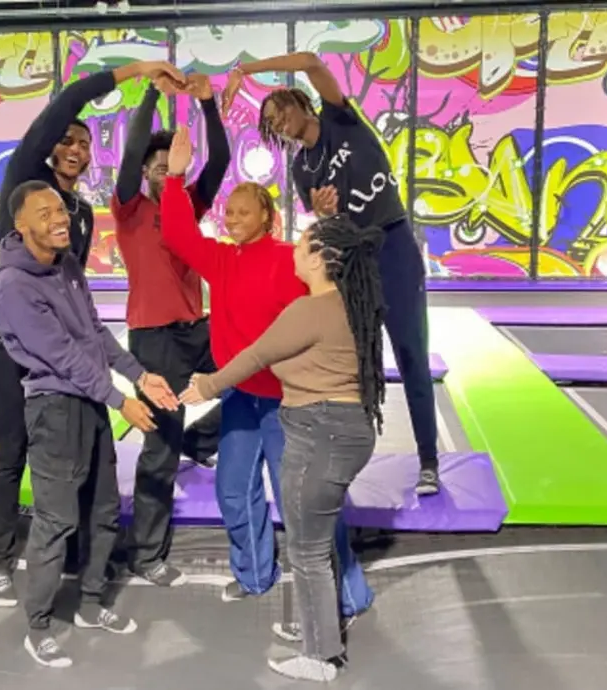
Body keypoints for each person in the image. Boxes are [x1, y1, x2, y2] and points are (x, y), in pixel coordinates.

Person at [0, 59, 187, 607]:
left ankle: (74, 551)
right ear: (50, 147)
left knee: (79, 455)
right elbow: (65, 104)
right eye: (67, 140)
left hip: (70, 351)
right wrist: (137, 72)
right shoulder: (27, 182)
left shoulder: (78, 212)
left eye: (84, 144)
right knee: (12, 450)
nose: (75, 148)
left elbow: (82, 315)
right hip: (17, 350)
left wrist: (128, 372)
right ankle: (0, 559)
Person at [160, 127, 369, 633]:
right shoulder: (221, 259)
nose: (232, 219)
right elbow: (179, 236)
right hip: (240, 398)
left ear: (268, 218)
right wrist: (174, 178)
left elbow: (332, 289)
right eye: (228, 213)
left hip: (288, 403)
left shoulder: (289, 260)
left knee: (303, 503)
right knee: (234, 488)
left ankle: (348, 593)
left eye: (242, 212)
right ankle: (254, 575)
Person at [221, 52, 440, 496]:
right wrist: (322, 214)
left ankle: (429, 461)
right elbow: (329, 226)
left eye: (280, 111)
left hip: (394, 246)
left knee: (411, 355)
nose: (278, 123)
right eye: (270, 122)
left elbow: (310, 60)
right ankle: (344, 458)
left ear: (300, 102)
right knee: (356, 364)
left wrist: (245, 71)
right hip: (354, 263)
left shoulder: (341, 119)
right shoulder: (301, 168)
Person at [180, 213, 386, 683]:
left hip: (319, 434)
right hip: (347, 431)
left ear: (319, 259)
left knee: (307, 551)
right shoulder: (351, 304)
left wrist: (207, 386)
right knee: (318, 541)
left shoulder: (308, 311)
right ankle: (320, 627)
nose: (294, 249)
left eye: (302, 243)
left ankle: (320, 656)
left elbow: (256, 355)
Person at [0, 179, 180, 668]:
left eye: (61, 210)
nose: (60, 219)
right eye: (45, 213)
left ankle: (91, 603)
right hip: (54, 409)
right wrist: (120, 400)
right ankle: (38, 625)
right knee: (57, 521)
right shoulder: (13, 285)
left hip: (89, 403)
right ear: (20, 224)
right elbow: (63, 357)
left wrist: (141, 375)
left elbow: (95, 333)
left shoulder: (68, 263)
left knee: (103, 509)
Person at [111, 72, 229, 587]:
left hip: (198, 330)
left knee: (253, 373)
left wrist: (207, 105)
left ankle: (199, 442)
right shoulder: (129, 209)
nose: (166, 174)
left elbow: (219, 161)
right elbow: (133, 149)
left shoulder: (187, 205)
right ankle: (146, 554)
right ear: (145, 173)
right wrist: (153, 92)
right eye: (158, 168)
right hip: (155, 340)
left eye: (171, 167)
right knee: (159, 450)